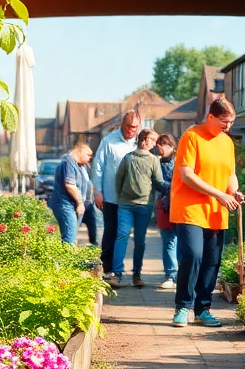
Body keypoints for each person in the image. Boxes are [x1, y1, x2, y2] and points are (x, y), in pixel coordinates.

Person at [170, 98, 245, 328]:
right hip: (190, 208)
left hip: (216, 211)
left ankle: (203, 309)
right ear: (210, 117)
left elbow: (229, 173)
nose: (228, 127)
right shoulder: (191, 137)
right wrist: (219, 194)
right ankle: (183, 307)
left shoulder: (227, 143)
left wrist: (234, 192)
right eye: (224, 122)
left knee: (212, 261)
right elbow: (186, 174)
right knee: (193, 256)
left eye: (231, 122)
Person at [92, 111, 141, 287]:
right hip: (111, 196)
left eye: (135, 127)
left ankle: (135, 271)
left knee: (133, 235)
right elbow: (98, 167)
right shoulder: (109, 141)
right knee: (111, 231)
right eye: (129, 127)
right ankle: (108, 268)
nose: (131, 130)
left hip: (133, 198)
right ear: (123, 124)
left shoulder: (139, 143)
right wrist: (97, 191)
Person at [113, 128, 165, 288]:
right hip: (126, 205)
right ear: (143, 140)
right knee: (122, 236)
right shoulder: (128, 158)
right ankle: (117, 274)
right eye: (152, 140)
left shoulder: (153, 160)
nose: (155, 143)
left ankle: (137, 274)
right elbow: (119, 180)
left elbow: (158, 182)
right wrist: (123, 197)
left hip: (144, 206)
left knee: (140, 241)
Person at [47, 142, 92, 244]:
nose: (90, 158)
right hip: (65, 204)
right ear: (79, 151)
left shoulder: (82, 166)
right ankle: (67, 259)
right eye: (88, 155)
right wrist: (80, 204)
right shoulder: (69, 163)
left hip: (74, 205)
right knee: (69, 238)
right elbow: (70, 185)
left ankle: (68, 257)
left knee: (71, 236)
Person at [155, 132, 179, 290]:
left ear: (172, 146)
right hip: (163, 207)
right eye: (159, 144)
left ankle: (173, 275)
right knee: (168, 241)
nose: (160, 147)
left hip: (176, 206)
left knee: (174, 241)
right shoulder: (156, 162)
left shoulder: (177, 162)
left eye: (164, 144)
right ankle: (171, 274)